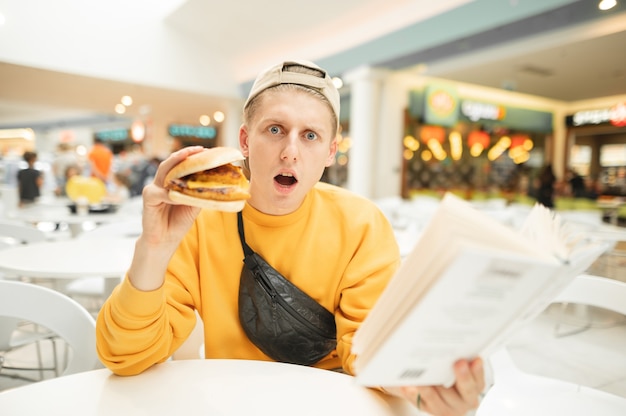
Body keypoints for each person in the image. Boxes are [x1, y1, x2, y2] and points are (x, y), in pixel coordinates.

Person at [96, 60, 484, 415]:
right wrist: (154, 248)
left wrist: (420, 381)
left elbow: (365, 346)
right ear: (246, 141)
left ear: (331, 152)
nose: (290, 152)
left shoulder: (361, 224)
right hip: (233, 403)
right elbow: (125, 356)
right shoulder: (198, 220)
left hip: (333, 403)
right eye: (275, 130)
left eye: (310, 135)